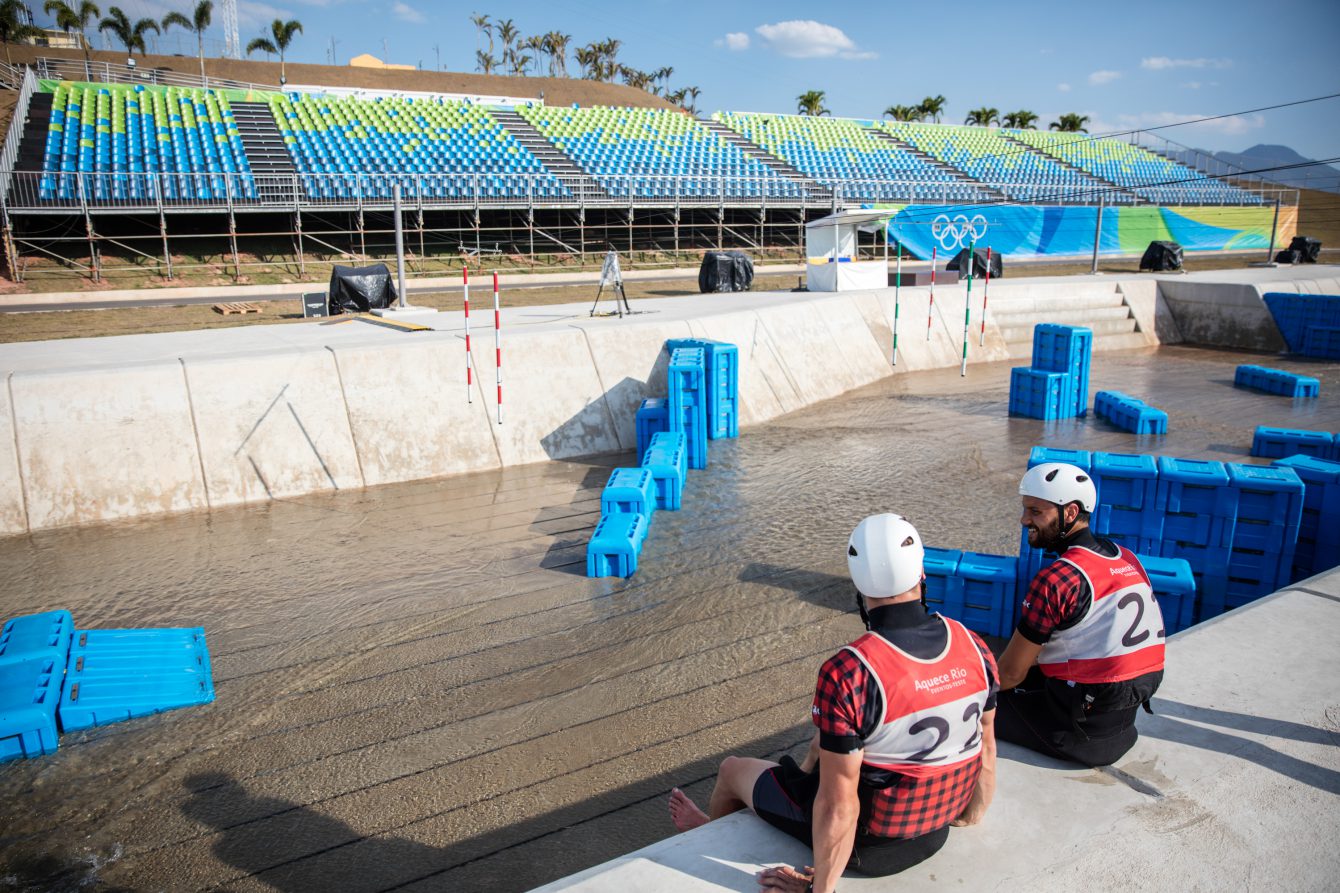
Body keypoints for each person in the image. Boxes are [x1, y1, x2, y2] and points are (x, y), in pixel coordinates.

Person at [668, 514, 999, 893]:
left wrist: (819, 889)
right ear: (922, 575)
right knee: (834, 742)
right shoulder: (973, 645)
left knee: (731, 770)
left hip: (868, 849)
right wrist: (972, 815)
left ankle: (706, 833)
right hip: (935, 832)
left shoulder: (851, 671)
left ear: (859, 585)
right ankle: (795, 778)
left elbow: (837, 805)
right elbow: (985, 747)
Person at [995, 462, 1165, 767]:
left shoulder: (1059, 578)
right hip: (1123, 721)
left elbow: (1009, 673)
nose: (1024, 520)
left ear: (1070, 513)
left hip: (1079, 735)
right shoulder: (1126, 557)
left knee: (972, 702)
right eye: (1025, 509)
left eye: (1035, 511)